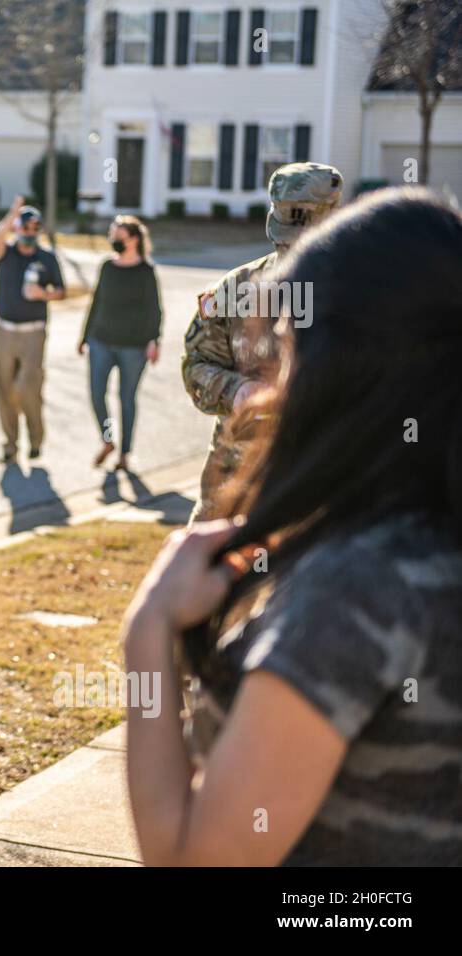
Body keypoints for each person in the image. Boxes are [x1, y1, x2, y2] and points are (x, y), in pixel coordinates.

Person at [123, 187, 462, 866]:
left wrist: (149, 635)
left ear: (338, 362)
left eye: (288, 347)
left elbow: (198, 859)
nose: (277, 380)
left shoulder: (358, 591)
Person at [182, 161, 342, 520]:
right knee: (209, 568)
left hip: (324, 488)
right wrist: (234, 390)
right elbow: (196, 364)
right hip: (232, 486)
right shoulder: (237, 287)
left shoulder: (365, 294)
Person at [77, 215, 163, 471]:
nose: (113, 240)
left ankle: (125, 453)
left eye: (118, 236)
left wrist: (154, 340)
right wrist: (84, 337)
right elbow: (96, 302)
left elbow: (154, 310)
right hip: (100, 340)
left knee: (126, 398)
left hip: (134, 346)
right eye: (112, 235)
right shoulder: (107, 266)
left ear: (134, 239)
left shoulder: (146, 272)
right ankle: (107, 440)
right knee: (96, 393)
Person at [0, 198, 65, 463]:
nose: (30, 233)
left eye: (35, 229)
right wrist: (12, 214)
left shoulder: (46, 258)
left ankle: (36, 439)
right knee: (4, 388)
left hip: (34, 332)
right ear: (17, 228)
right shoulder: (6, 253)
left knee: (27, 388)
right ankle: (10, 445)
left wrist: (43, 294)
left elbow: (61, 291)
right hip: (5, 331)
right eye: (26, 227)